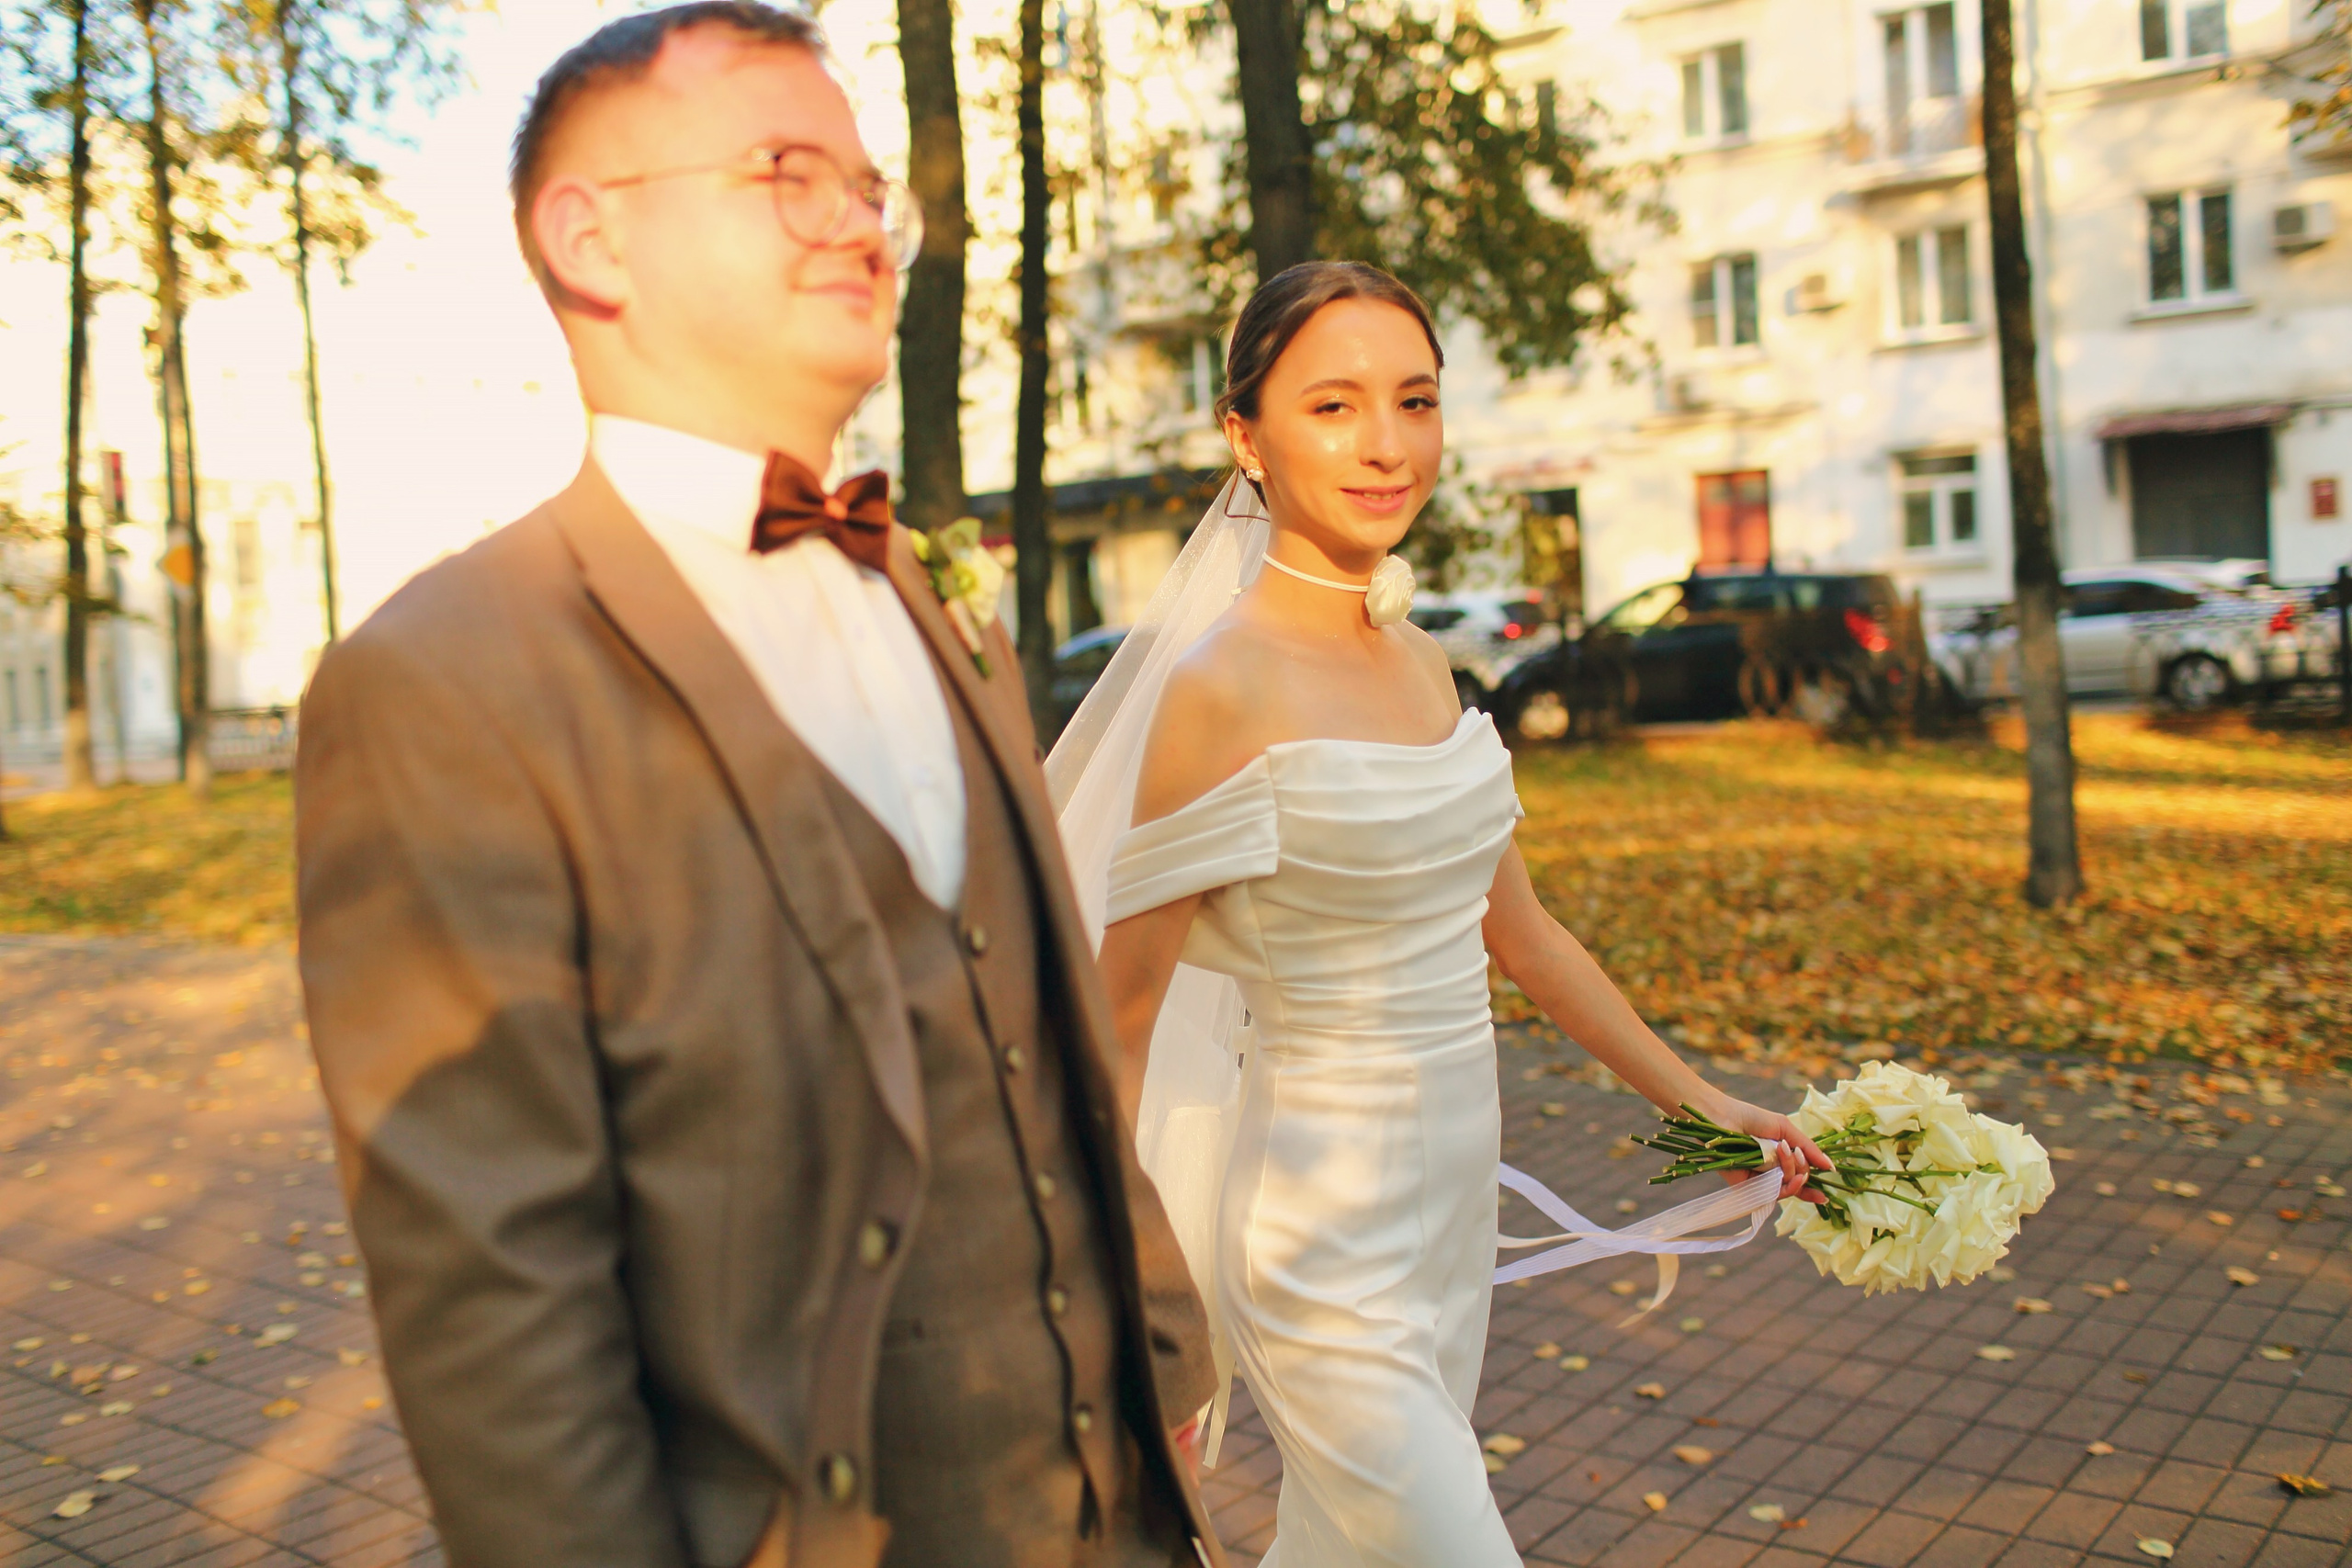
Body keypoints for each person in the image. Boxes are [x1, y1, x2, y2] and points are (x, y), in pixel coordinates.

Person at [293, 7, 1221, 1567]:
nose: (861, 225)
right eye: (791, 173)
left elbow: (1045, 1038)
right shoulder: (443, 676)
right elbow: (496, 1302)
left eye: (871, 190)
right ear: (592, 239)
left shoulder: (943, 603)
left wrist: (1165, 1350)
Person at [1048, 262, 1831, 1568]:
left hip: (1450, 1206)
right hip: (1314, 1240)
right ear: (1246, 438)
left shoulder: (1424, 660)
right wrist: (1144, 1323)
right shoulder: (1217, 690)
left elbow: (1523, 938)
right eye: (1335, 406)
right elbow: (1115, 1038)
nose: (1388, 445)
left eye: (1415, 401)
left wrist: (1712, 1107)